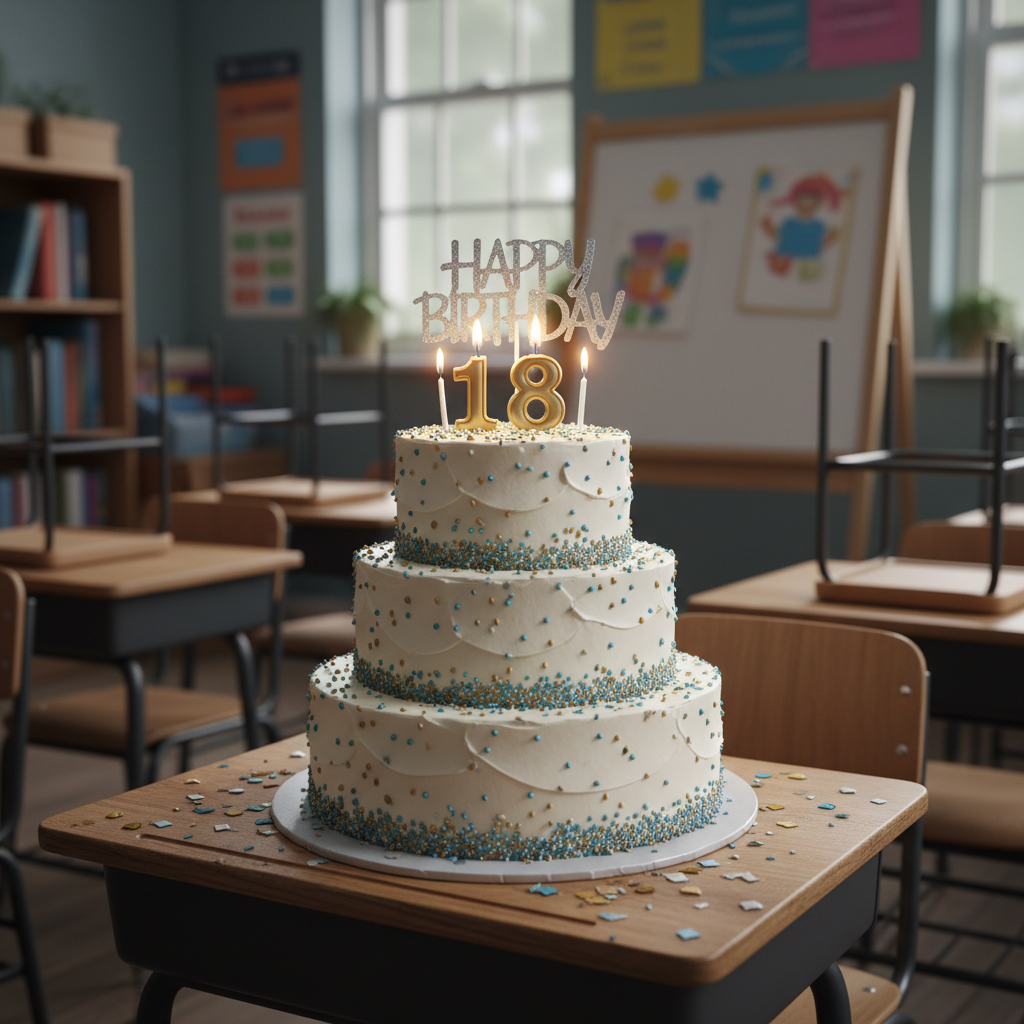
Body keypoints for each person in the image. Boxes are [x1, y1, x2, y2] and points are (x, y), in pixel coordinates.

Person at [760, 173, 844, 280]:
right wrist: (767, 226)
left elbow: (819, 245)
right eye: (802, 199)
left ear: (818, 204)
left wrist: (832, 237)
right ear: (795, 201)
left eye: (811, 200)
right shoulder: (789, 223)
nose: (806, 203)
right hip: (784, 263)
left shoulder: (818, 226)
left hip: (809, 265)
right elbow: (778, 237)